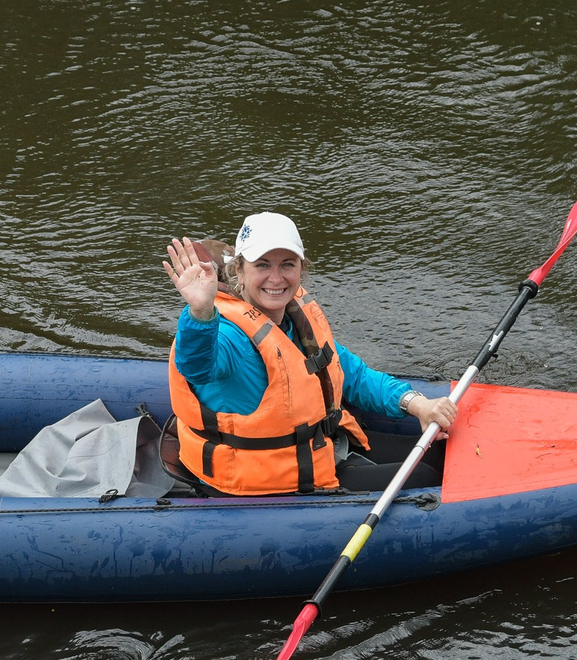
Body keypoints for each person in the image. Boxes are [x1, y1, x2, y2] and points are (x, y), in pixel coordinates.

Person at [160, 212, 458, 496]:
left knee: (439, 449)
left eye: (287, 264)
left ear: (301, 268)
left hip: (320, 444)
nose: (276, 278)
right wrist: (199, 311)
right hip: (267, 476)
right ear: (239, 269)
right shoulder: (228, 335)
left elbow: (348, 371)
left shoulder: (294, 318)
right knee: (424, 477)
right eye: (262, 265)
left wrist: (415, 403)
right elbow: (197, 367)